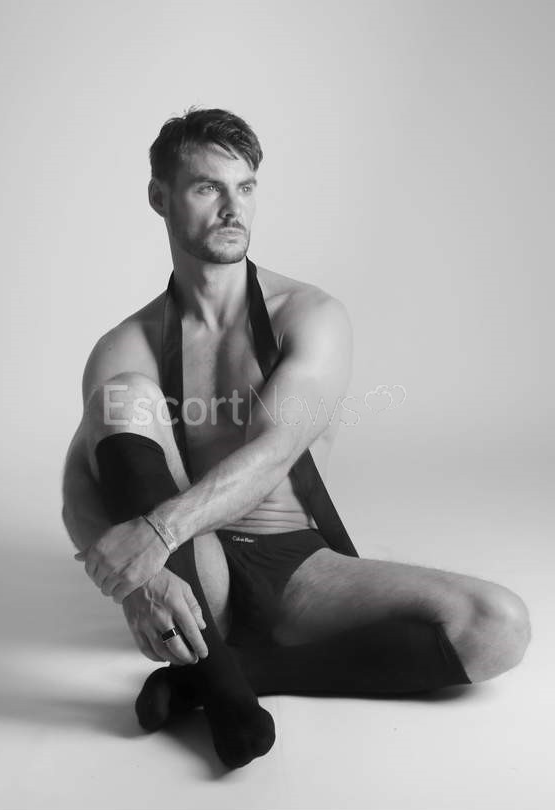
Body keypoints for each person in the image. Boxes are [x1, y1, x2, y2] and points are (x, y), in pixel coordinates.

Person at [61, 106, 531, 769]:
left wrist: (157, 534)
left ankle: (225, 676)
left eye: (246, 187)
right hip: (197, 569)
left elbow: (274, 451)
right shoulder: (125, 343)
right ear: (159, 198)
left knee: (498, 627)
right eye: (208, 188)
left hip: (295, 565)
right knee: (126, 395)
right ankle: (226, 690)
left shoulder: (308, 315)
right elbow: (80, 485)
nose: (233, 208)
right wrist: (142, 584)